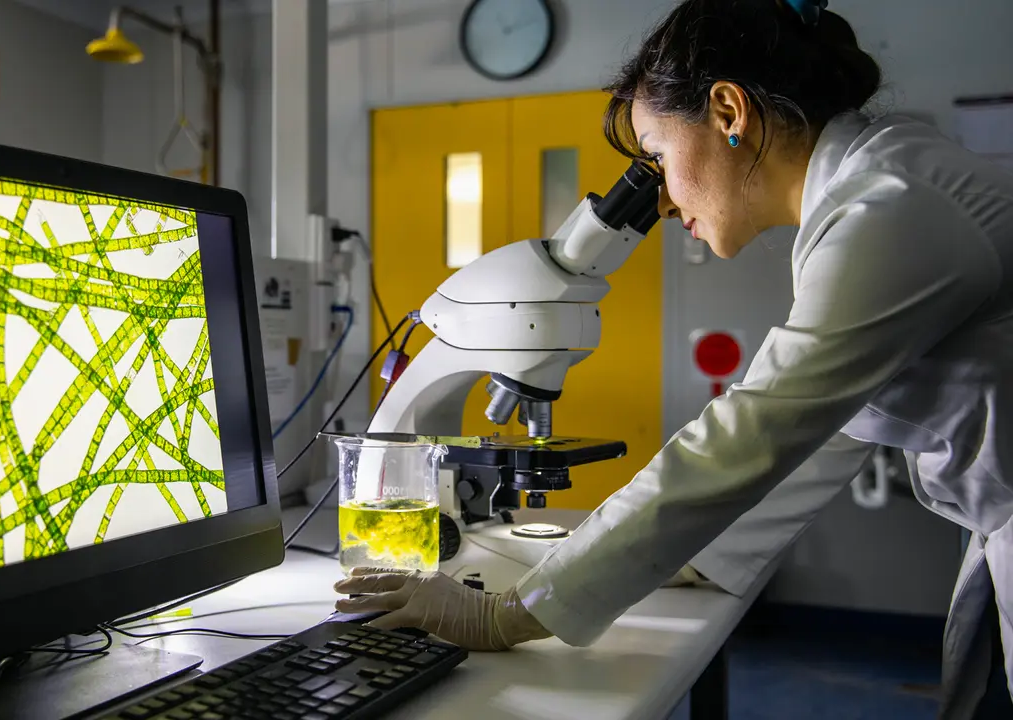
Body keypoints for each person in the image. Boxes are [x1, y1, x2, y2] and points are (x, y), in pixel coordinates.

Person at [332, 0, 1013, 717]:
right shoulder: (871, 192)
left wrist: (509, 614)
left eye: (656, 154)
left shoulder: (892, 209)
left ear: (727, 111)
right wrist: (684, 556)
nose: (656, 199)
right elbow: (831, 430)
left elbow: (750, 438)